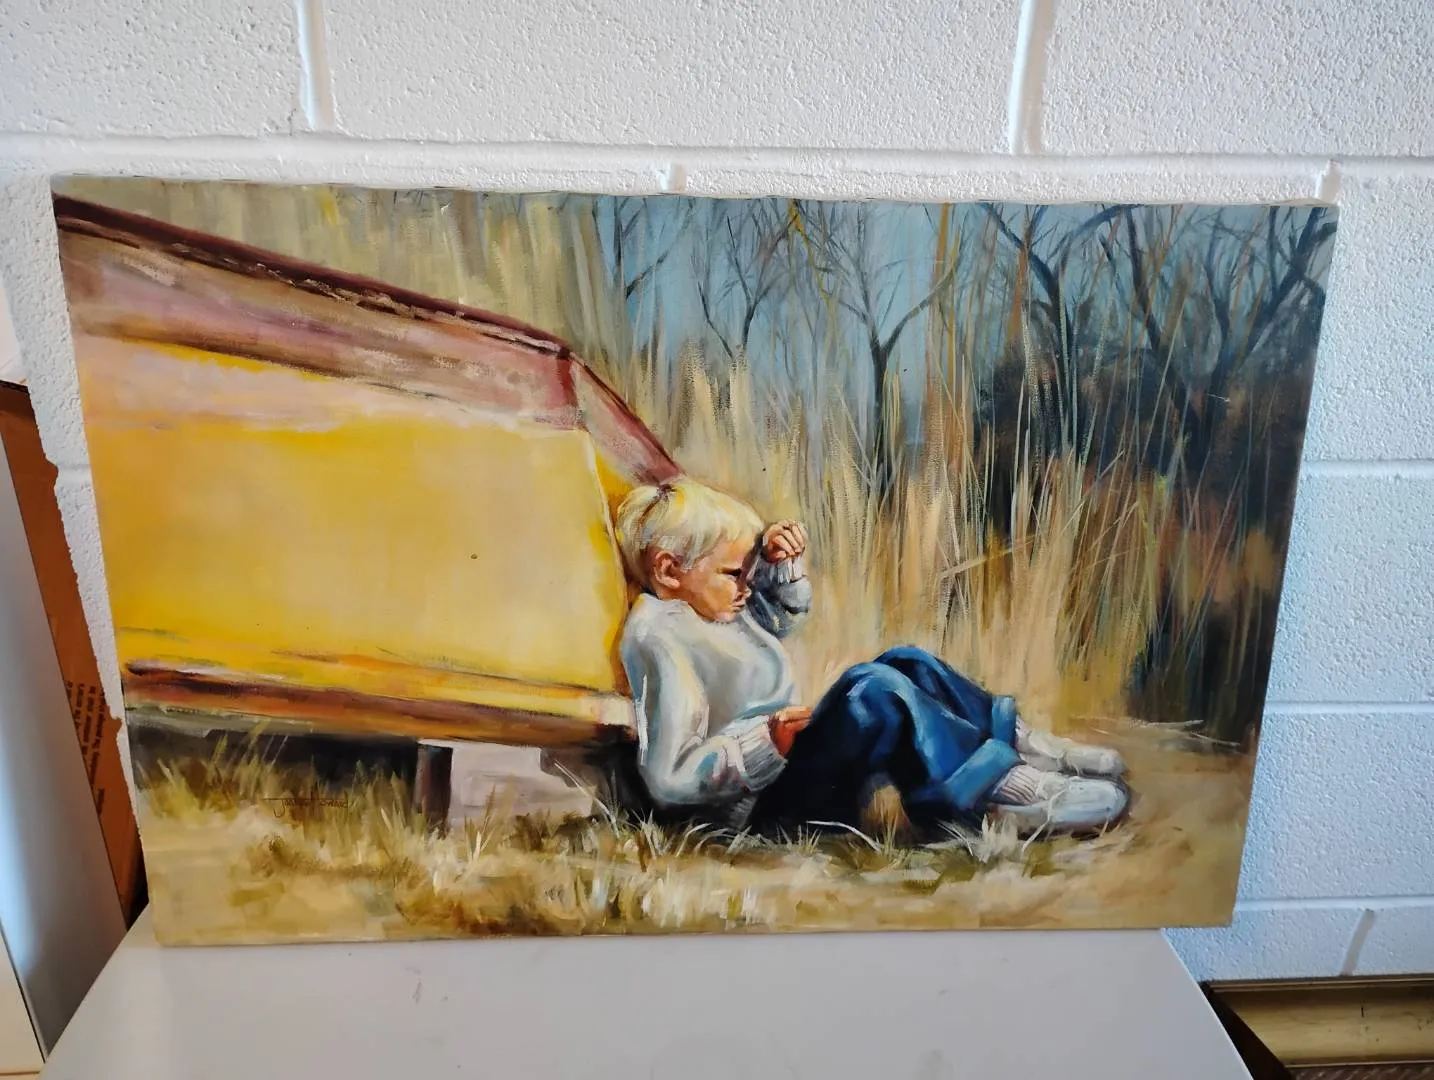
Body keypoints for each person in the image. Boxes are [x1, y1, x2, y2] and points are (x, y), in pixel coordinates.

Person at [613, 478, 1128, 839]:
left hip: (783, 774)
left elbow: (776, 624)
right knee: (872, 692)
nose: (746, 587)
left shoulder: (711, 603)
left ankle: (1020, 748)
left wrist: (778, 566)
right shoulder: (659, 635)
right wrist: (764, 742)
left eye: (748, 574)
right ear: (669, 570)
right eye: (735, 574)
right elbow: (668, 777)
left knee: (908, 662)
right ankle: (1008, 789)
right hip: (753, 811)